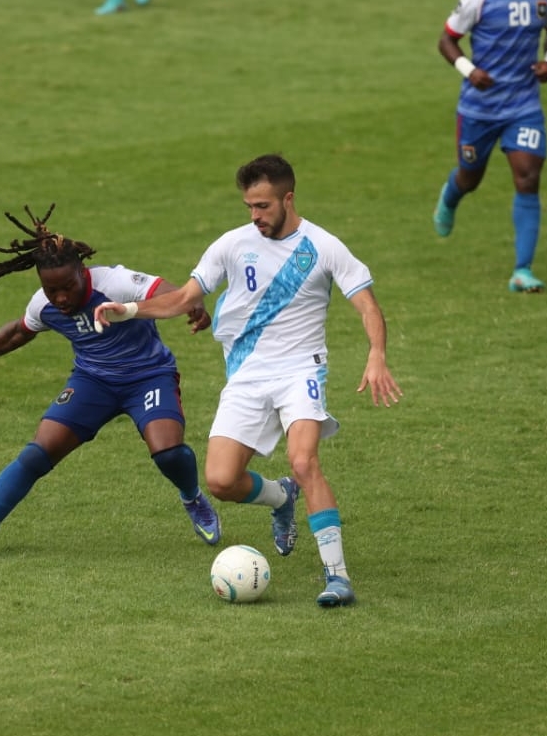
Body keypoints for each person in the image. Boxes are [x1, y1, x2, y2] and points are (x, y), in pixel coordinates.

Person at [94, 154, 403, 607]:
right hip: (246, 375)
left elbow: (368, 306)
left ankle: (337, 576)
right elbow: (183, 298)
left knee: (304, 460)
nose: (255, 216)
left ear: (288, 198)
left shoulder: (324, 247)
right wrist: (130, 311)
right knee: (220, 480)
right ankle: (281, 498)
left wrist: (376, 355)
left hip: (301, 370)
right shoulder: (232, 245)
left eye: (262, 206)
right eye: (249, 207)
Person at [0, 204, 220, 562]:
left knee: (168, 452)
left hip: (148, 377)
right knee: (36, 454)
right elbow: (17, 333)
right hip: (93, 382)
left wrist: (192, 306)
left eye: (67, 287)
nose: (60, 298)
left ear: (83, 270)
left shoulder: (114, 282)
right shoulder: (43, 305)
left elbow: (166, 290)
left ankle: (192, 497)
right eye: (51, 290)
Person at [432, 0, 547, 293]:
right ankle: (451, 196)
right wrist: (469, 71)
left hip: (524, 106)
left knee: (528, 178)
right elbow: (447, 41)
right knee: (470, 178)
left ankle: (522, 271)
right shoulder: (477, 3)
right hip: (478, 110)